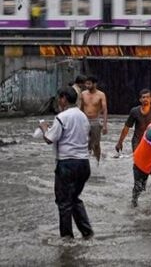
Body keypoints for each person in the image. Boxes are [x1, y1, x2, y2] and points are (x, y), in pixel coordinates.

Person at [39, 87, 94, 240]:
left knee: (64, 202)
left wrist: (44, 128)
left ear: (63, 98)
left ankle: (67, 238)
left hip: (67, 164)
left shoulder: (61, 117)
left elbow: (49, 139)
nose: (58, 101)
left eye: (59, 98)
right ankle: (87, 233)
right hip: (84, 163)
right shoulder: (83, 116)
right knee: (74, 198)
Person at [115, 89, 151, 153]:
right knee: (137, 161)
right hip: (137, 141)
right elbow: (126, 127)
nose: (145, 99)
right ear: (140, 100)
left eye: (147, 97)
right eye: (143, 97)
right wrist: (120, 142)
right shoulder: (134, 111)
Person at [80, 75, 108, 164]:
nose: (87, 86)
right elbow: (80, 108)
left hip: (95, 121)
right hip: (84, 121)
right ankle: (85, 162)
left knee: (96, 144)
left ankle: (97, 163)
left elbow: (104, 110)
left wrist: (104, 125)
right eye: (86, 84)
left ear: (95, 84)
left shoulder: (101, 94)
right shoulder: (83, 94)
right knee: (84, 143)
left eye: (89, 84)